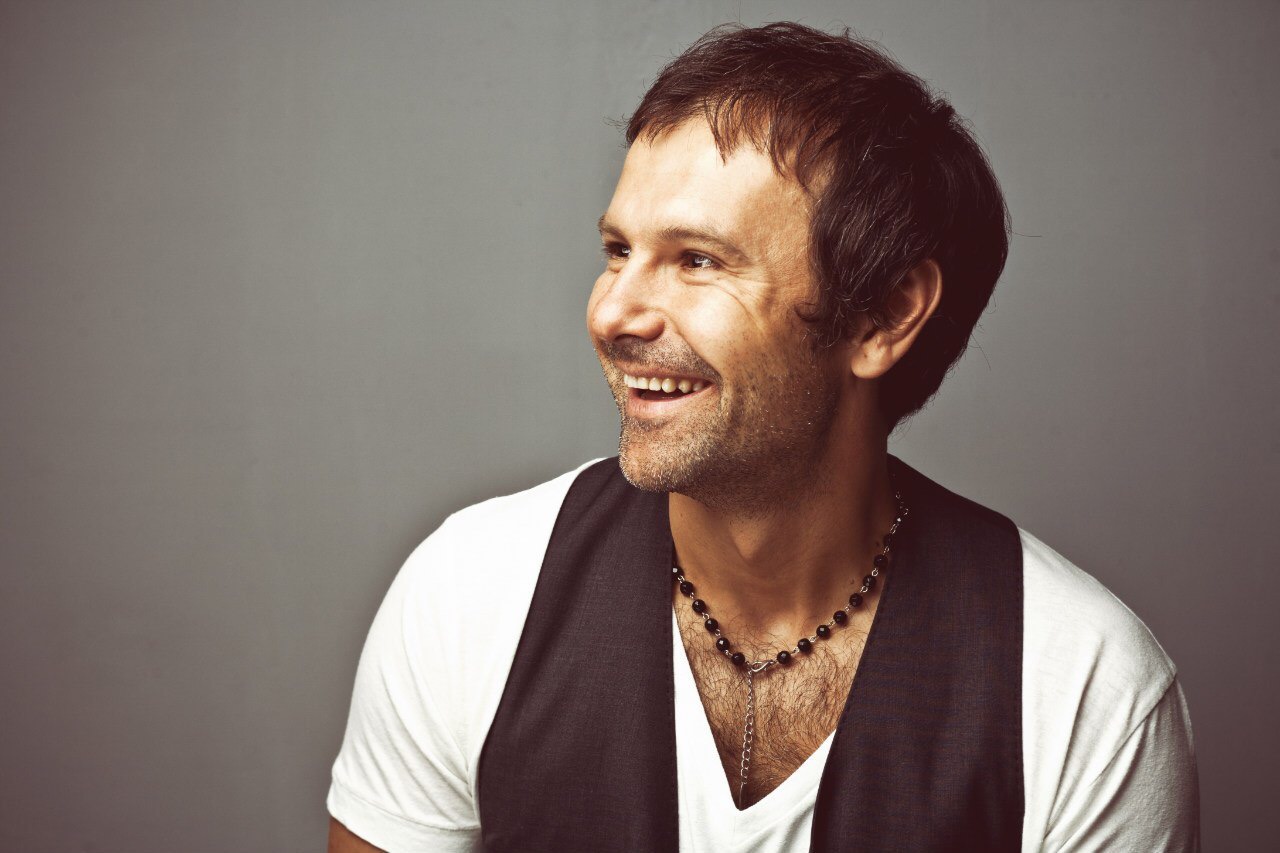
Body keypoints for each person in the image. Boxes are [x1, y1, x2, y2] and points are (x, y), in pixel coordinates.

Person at [326, 22, 1199, 853]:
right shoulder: (469, 595)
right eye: (618, 250)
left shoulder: (1082, 686)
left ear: (883, 316)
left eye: (698, 260)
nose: (614, 312)